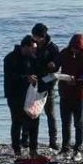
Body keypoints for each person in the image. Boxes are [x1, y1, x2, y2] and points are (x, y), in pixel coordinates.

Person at [57, 33, 83, 160]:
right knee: (65, 122)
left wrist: (77, 80)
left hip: (79, 94)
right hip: (64, 92)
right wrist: (52, 66)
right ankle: (65, 148)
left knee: (78, 123)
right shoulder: (64, 53)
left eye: (77, 48)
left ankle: (77, 149)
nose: (74, 50)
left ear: (82, 47)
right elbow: (57, 64)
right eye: (73, 47)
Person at [2, 36, 41, 157]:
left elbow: (38, 73)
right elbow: (10, 76)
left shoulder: (33, 58)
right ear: (25, 47)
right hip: (15, 95)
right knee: (17, 122)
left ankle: (33, 149)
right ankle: (16, 149)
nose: (35, 50)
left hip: (30, 94)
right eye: (33, 48)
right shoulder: (10, 58)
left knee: (34, 120)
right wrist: (26, 78)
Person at [31, 22, 61, 150]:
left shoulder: (52, 48)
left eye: (37, 37)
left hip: (48, 83)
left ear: (43, 36)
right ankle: (28, 140)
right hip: (34, 83)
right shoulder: (32, 45)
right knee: (32, 112)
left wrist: (53, 65)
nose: (35, 39)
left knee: (50, 113)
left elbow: (57, 65)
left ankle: (53, 141)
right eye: (34, 36)